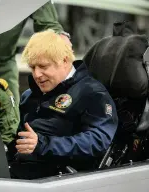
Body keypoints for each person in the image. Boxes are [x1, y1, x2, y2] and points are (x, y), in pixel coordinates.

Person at [8, 29, 118, 180]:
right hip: (18, 174)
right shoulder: (29, 95)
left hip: (58, 180)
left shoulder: (92, 93)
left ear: (65, 61)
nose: (37, 74)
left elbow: (98, 140)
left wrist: (43, 144)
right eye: (33, 67)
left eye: (43, 66)